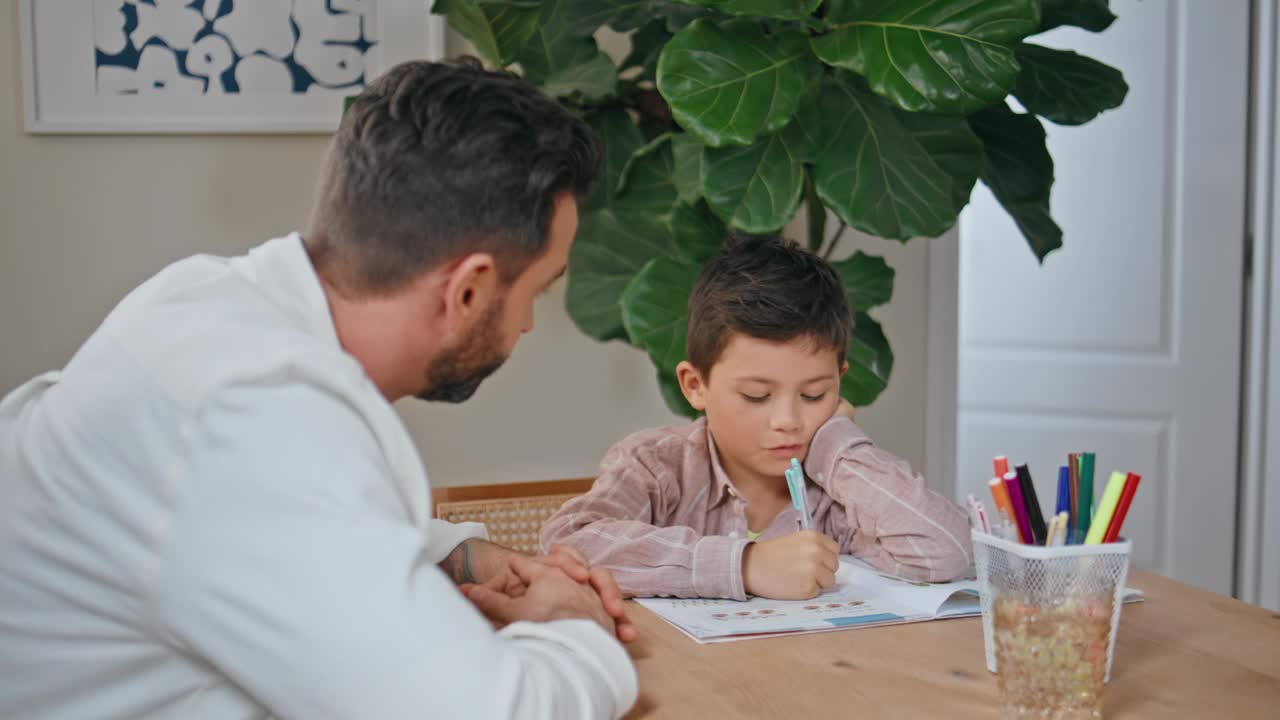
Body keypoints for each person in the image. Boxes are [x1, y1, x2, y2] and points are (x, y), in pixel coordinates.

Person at [0, 58, 637, 719]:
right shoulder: (258, 416)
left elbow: (247, 522)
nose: (531, 322)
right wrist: (577, 627)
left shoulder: (199, 302)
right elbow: (489, 710)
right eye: (538, 289)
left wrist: (461, 557)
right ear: (469, 290)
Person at [541, 235, 972, 601]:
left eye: (814, 394)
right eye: (757, 395)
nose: (788, 420)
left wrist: (839, 444)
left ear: (840, 384)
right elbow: (570, 543)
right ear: (695, 385)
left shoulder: (839, 495)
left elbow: (948, 550)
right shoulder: (657, 466)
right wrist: (743, 565)